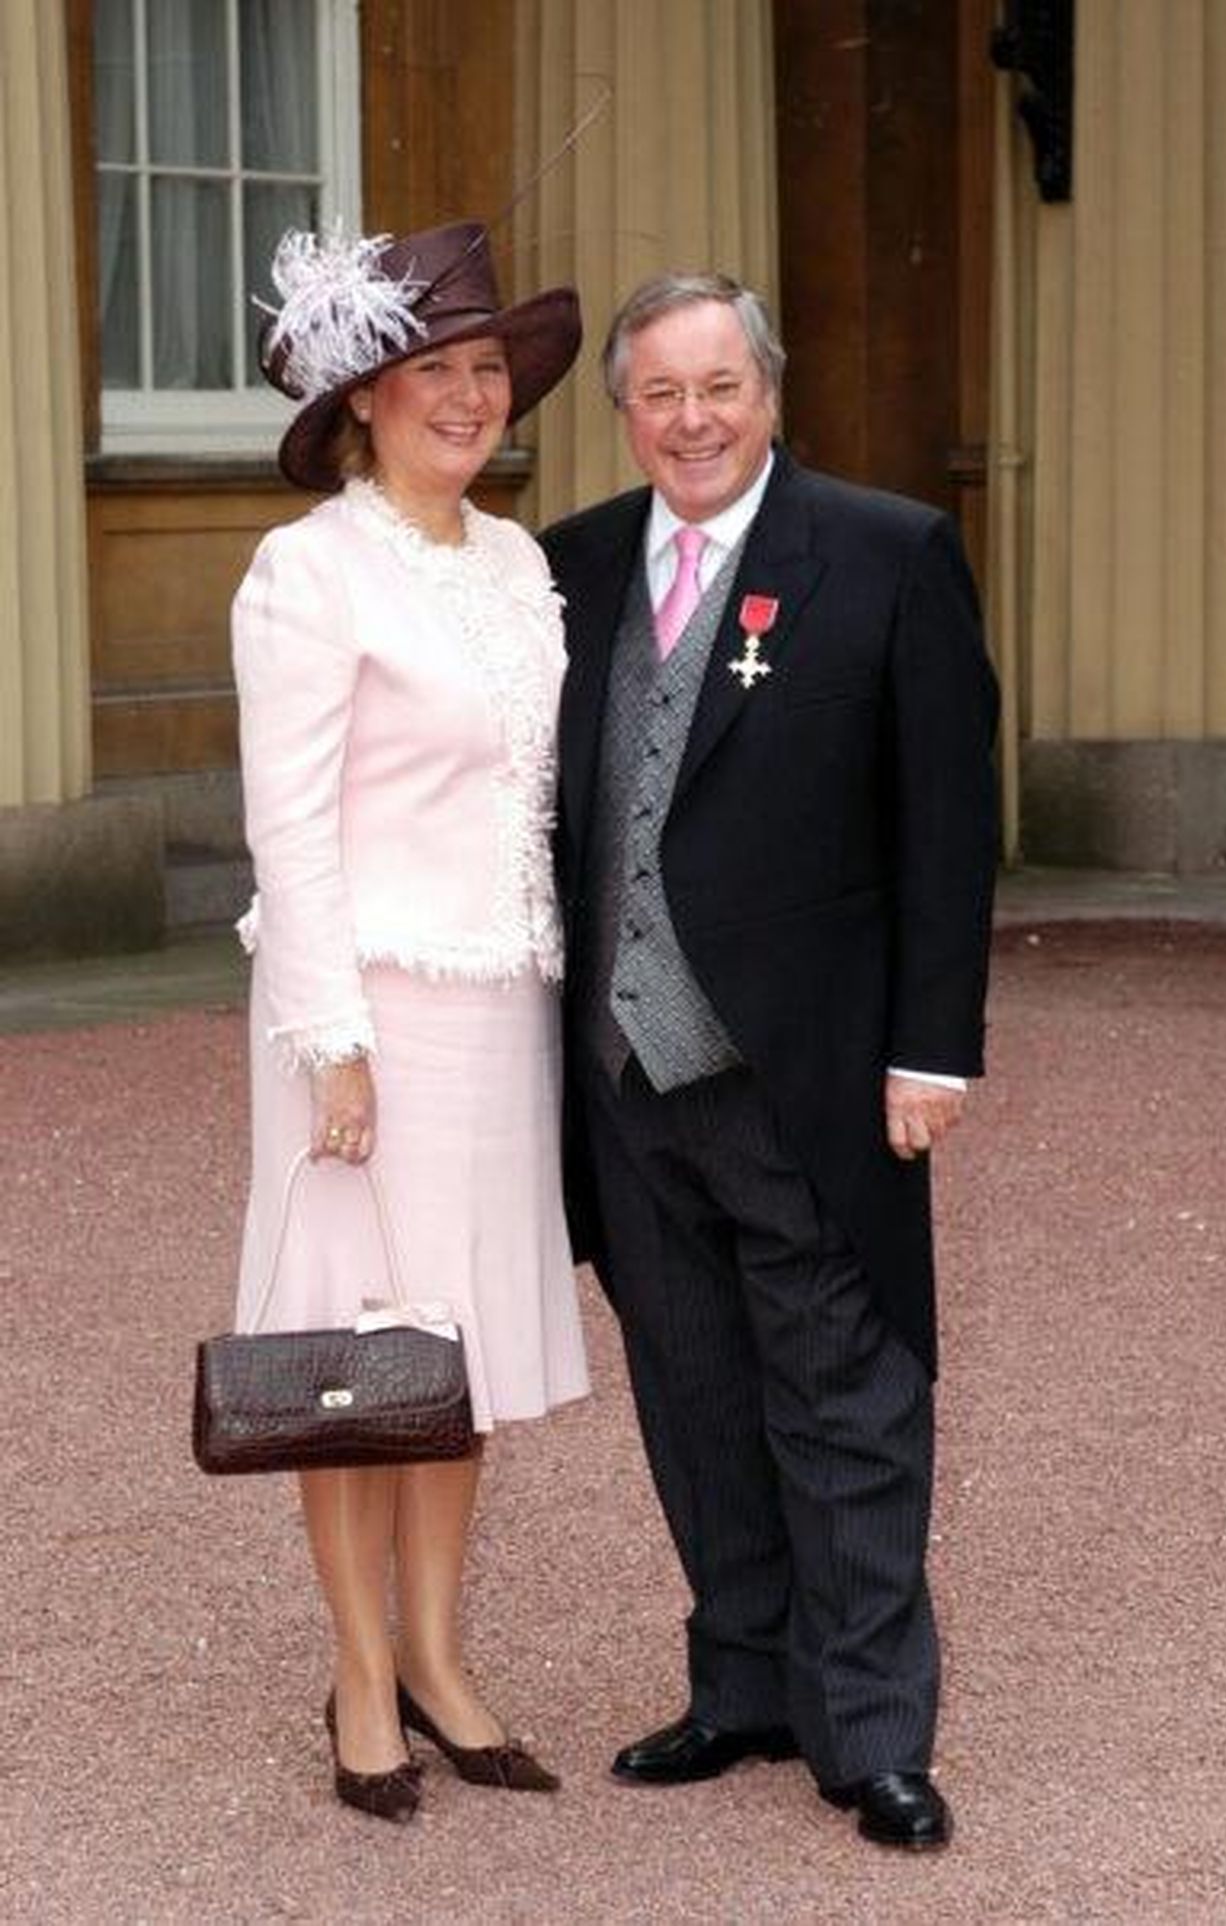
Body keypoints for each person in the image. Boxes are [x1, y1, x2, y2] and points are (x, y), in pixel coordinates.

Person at [541, 273, 998, 1851]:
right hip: (623, 1074)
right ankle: (743, 1681)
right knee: (693, 1391)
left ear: (771, 390)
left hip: (807, 1068)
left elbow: (949, 823)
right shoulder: (574, 564)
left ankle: (871, 1731)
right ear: (624, 411)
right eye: (661, 394)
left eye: (720, 386)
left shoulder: (884, 554)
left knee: (847, 1397)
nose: (694, 420)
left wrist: (932, 1048)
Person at [231, 221, 588, 1823]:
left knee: (461, 1350)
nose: (467, 395)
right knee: (357, 1351)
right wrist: (335, 1039)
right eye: (433, 368)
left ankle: (440, 1657)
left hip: (504, 1007)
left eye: (487, 366)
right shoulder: (308, 569)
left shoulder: (518, 563)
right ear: (363, 398)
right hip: (364, 1015)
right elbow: (289, 825)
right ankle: (361, 1673)